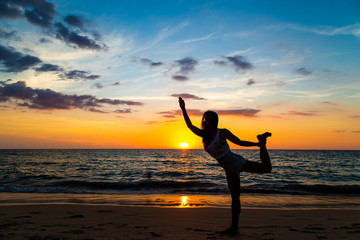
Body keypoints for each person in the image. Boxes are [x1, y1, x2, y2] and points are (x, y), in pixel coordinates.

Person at [178, 97, 272, 234]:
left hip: (234, 161)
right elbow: (189, 126)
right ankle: (234, 228)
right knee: (235, 197)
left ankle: (262, 141)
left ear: (212, 120)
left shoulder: (222, 132)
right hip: (228, 168)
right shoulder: (204, 135)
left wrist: (256, 144)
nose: (204, 120)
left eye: (206, 118)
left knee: (267, 169)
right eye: (204, 118)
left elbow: (239, 142)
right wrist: (183, 109)